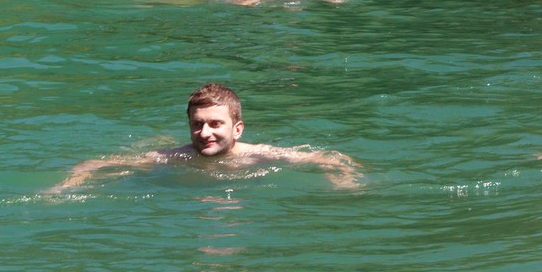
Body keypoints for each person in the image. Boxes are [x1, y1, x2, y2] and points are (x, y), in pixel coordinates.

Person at [49, 83, 362, 193]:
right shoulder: (174, 157)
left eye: (215, 124)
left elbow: (327, 156)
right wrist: (64, 186)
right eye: (197, 125)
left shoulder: (259, 155)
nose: (205, 133)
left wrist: (345, 179)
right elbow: (91, 165)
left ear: (238, 129)